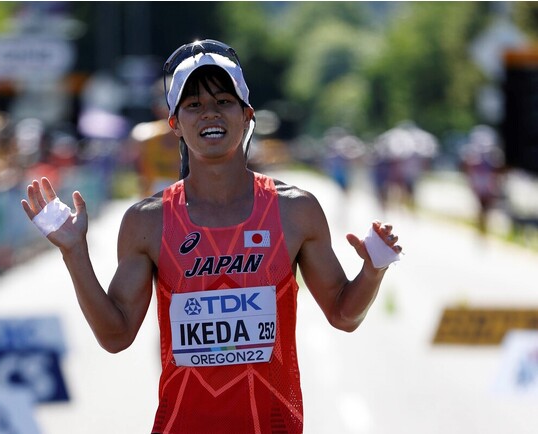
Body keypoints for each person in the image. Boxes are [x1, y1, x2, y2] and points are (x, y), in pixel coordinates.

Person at [22, 39, 402, 433]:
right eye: (194, 105)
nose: (210, 113)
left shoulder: (295, 210)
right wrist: (74, 253)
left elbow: (343, 315)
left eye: (223, 101)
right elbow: (116, 336)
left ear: (247, 115)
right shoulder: (147, 222)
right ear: (175, 123)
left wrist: (372, 271)